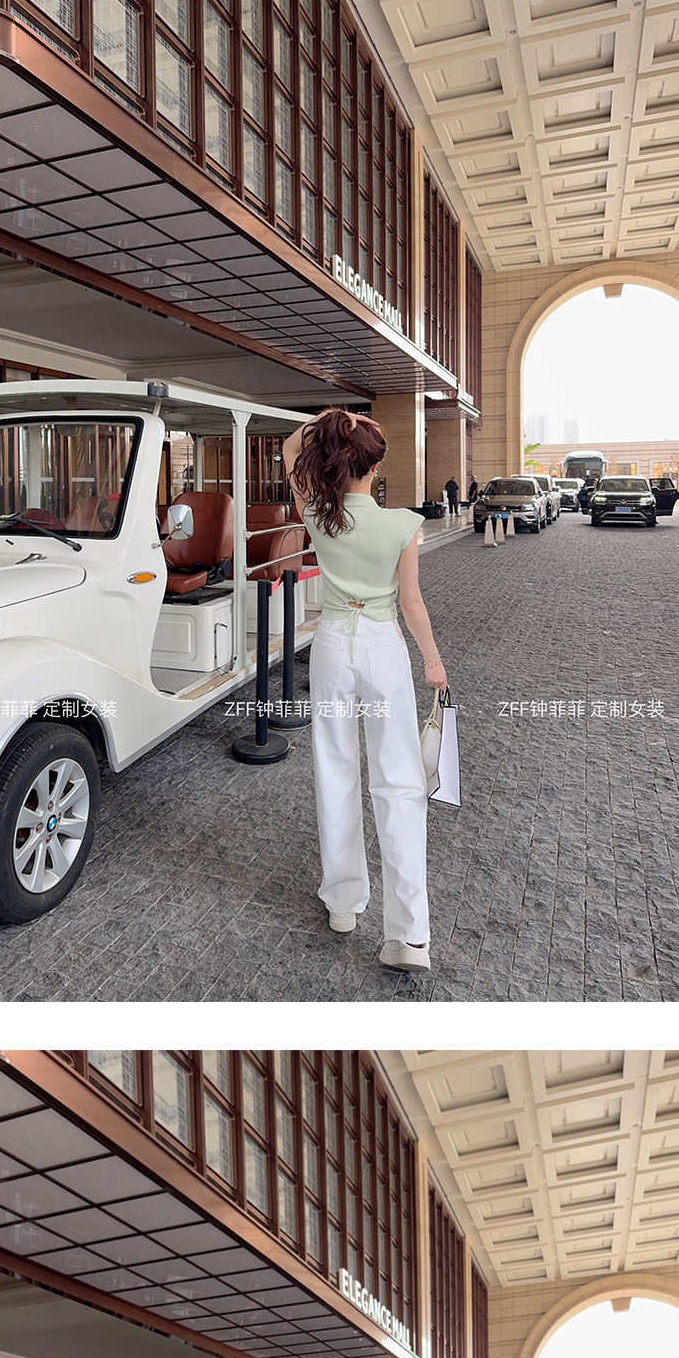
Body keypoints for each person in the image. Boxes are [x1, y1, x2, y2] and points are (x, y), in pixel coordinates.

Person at [282, 407, 447, 973]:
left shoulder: (318, 514)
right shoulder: (402, 524)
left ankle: (343, 903)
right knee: (399, 780)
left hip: (331, 645)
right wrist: (433, 663)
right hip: (382, 647)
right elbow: (412, 604)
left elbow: (290, 450)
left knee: (335, 768)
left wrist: (330, 419)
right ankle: (410, 936)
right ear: (375, 467)